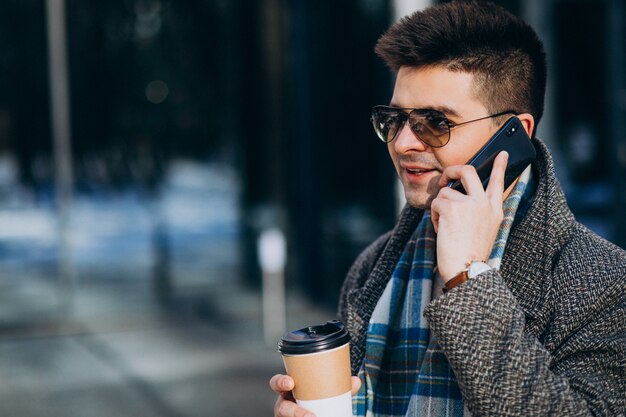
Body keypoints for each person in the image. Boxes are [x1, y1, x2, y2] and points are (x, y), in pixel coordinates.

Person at [270, 1, 626, 416]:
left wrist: (468, 279)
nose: (403, 143)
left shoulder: (606, 284)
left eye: (435, 122)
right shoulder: (372, 269)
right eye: (395, 119)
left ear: (514, 134)